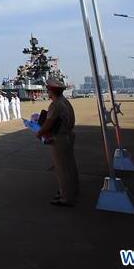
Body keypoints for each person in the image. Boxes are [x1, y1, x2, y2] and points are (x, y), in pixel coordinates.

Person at [36, 77, 79, 207]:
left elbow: (49, 122)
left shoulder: (55, 104)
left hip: (59, 138)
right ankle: (72, 190)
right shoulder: (65, 102)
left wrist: (40, 132)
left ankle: (65, 197)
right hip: (67, 135)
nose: (47, 91)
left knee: (61, 169)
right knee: (70, 166)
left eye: (48, 89)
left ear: (52, 91)